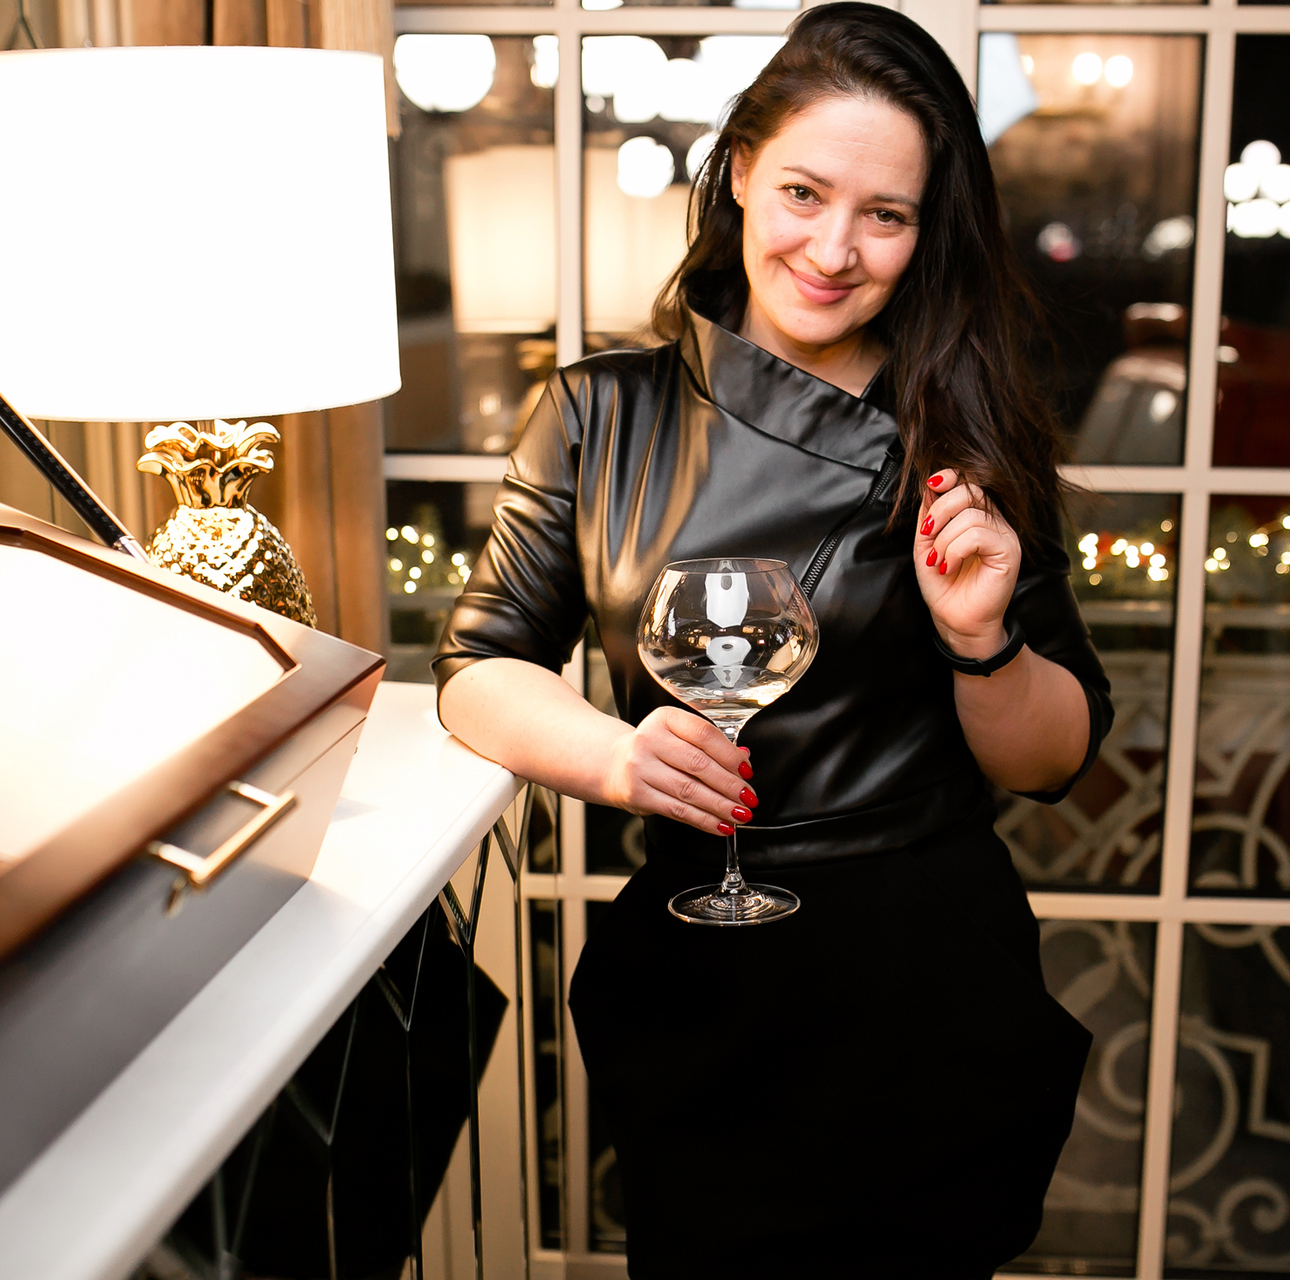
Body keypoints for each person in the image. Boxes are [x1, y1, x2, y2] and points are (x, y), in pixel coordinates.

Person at [435, 5, 1113, 1275]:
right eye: (805, 191)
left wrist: (981, 640)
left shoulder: (964, 426)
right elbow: (480, 669)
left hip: (923, 986)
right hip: (705, 984)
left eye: (886, 215)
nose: (834, 249)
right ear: (741, 169)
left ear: (925, 231)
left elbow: (1049, 759)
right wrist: (614, 757)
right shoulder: (594, 413)